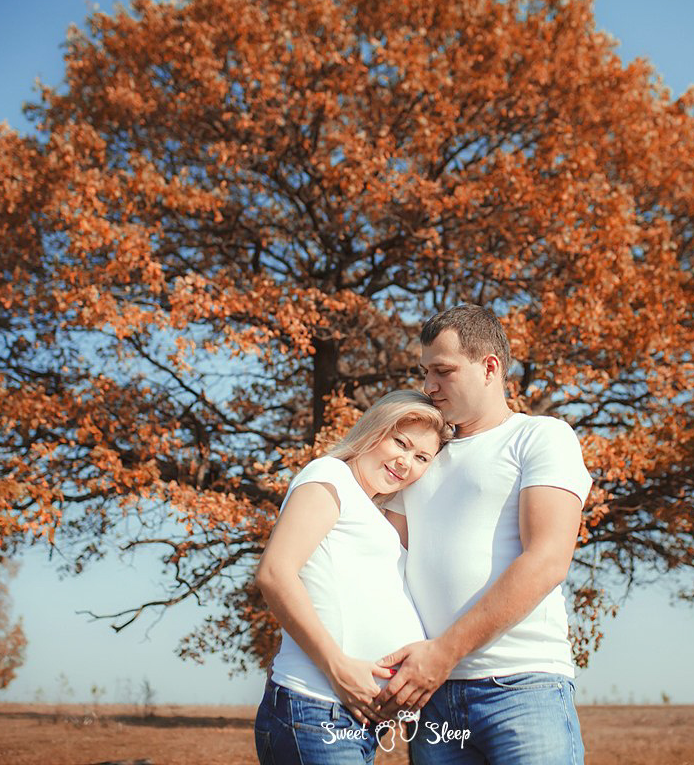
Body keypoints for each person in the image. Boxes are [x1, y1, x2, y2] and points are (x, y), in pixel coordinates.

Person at [380, 304, 593, 764]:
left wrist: (443, 653)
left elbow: (547, 560)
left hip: (521, 686)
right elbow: (381, 559)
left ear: (489, 367)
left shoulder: (540, 437)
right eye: (424, 372)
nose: (428, 386)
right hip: (431, 697)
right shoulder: (418, 457)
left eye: (443, 371)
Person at [253, 389, 453, 765]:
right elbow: (274, 572)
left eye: (422, 457)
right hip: (315, 706)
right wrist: (337, 666)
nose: (405, 462)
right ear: (375, 429)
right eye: (401, 442)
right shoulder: (330, 475)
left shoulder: (371, 508)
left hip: (347, 719)